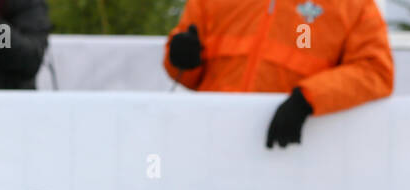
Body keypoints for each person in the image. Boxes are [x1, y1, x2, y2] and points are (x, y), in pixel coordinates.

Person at [162, 0, 394, 148]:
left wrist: (308, 99)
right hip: (210, 142)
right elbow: (188, 75)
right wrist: (180, 58)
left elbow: (375, 71)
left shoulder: (354, 6)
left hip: (288, 152)